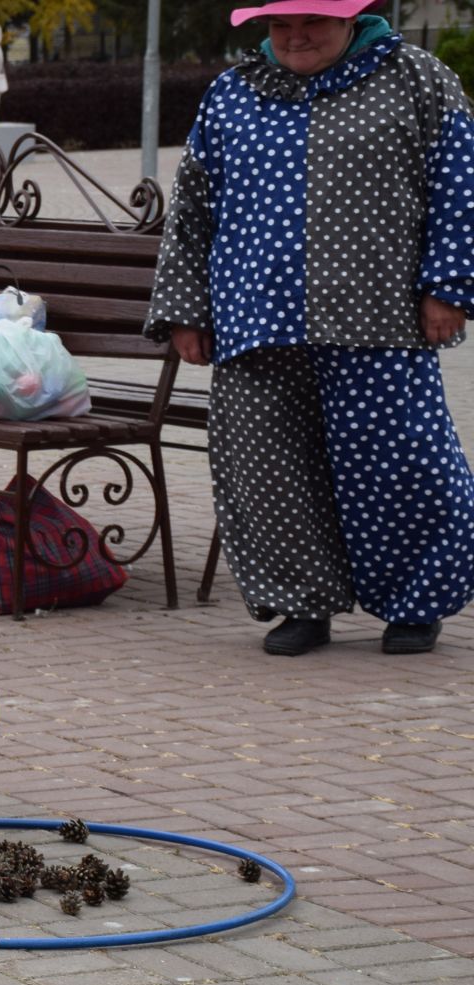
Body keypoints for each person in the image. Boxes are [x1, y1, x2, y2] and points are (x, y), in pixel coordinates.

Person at [147, 0, 474, 657]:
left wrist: (448, 288)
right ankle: (303, 604)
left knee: (405, 465)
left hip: (376, 316)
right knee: (267, 470)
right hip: (254, 317)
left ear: (353, 19)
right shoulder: (234, 92)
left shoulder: (416, 77)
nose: (295, 36)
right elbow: (193, 203)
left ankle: (415, 604)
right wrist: (186, 309)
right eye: (280, 24)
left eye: (313, 22)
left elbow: (458, 187)